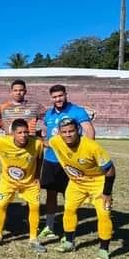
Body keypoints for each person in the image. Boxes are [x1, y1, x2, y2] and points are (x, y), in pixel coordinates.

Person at [49, 118, 116, 259]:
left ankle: (104, 250)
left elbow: (110, 169)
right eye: (64, 132)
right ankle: (69, 242)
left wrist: (107, 193)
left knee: (104, 215)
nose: (68, 135)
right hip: (76, 183)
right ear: (59, 133)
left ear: (78, 130)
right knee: (69, 209)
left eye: (71, 131)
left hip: (98, 184)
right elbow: (42, 142)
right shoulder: (55, 141)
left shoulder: (92, 147)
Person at [39, 84, 95, 239]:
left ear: (66, 95)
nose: (58, 99)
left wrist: (84, 153)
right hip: (51, 159)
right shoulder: (49, 114)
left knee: (70, 196)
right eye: (55, 97)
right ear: (51, 98)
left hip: (70, 162)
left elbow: (90, 131)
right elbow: (50, 134)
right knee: (50, 193)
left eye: (60, 96)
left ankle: (68, 230)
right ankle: (49, 226)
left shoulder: (77, 111)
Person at [0, 119, 46, 253]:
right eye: (20, 132)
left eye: (26, 132)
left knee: (35, 206)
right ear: (12, 134)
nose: (23, 135)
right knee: (1, 205)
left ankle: (33, 239)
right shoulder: (1, 142)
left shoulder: (37, 144)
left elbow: (40, 158)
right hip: (7, 182)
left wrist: (37, 177)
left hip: (29, 183)